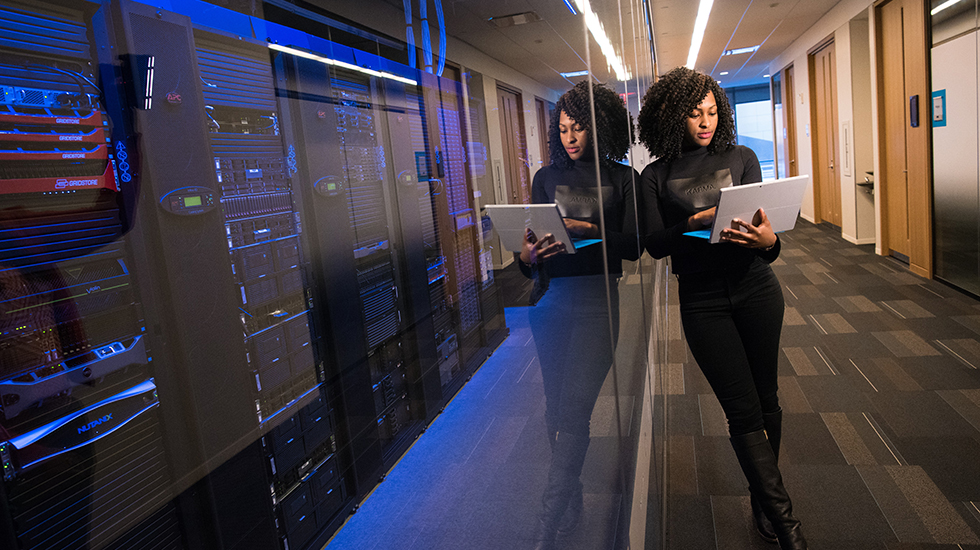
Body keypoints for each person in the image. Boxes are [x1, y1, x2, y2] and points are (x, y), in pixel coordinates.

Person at [636, 67, 807, 550]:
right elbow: (653, 244)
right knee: (741, 408)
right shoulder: (656, 175)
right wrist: (699, 220)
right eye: (694, 114)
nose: (705, 122)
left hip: (756, 289)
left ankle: (763, 500)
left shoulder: (743, 157)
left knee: (767, 397)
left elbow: (766, 243)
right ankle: (787, 523)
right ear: (672, 117)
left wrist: (770, 240)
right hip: (703, 301)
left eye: (712, 112)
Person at [517, 81, 640, 550]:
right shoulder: (545, 177)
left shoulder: (622, 178)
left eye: (579, 127)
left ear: (600, 125)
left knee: (575, 411)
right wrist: (527, 257)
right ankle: (571, 498)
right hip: (551, 303)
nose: (570, 137)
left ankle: (547, 521)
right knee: (554, 410)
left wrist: (591, 228)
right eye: (563, 129)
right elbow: (527, 259)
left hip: (598, 303)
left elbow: (632, 247)